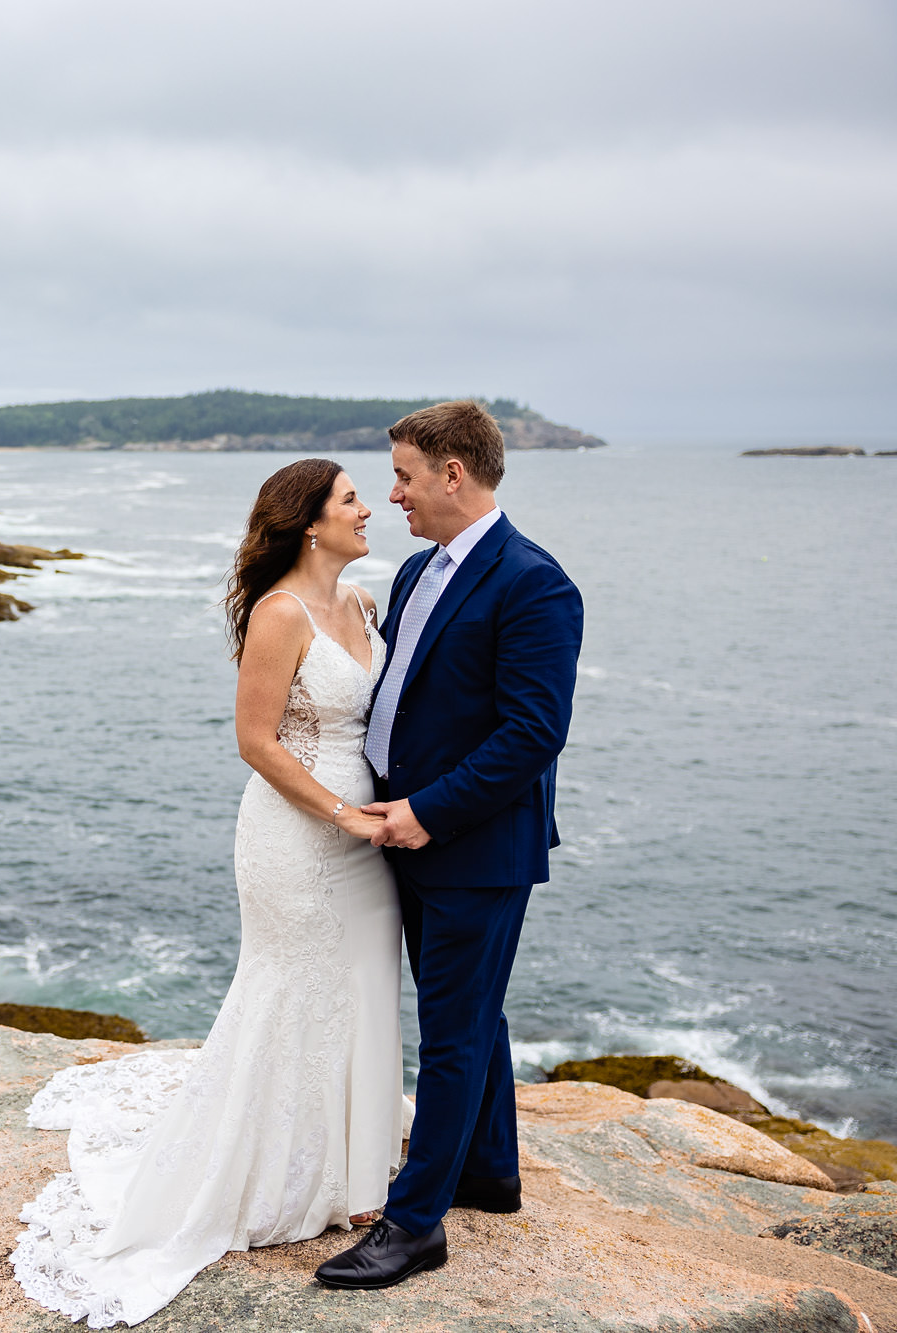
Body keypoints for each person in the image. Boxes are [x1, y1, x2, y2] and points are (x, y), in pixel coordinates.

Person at [12, 458, 410, 1328]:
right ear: (310, 522)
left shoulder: (365, 605)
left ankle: (357, 1167)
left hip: (366, 833)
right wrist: (344, 814)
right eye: (351, 498)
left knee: (364, 983)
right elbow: (255, 740)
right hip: (298, 833)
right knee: (296, 983)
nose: (368, 507)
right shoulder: (280, 613)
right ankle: (283, 1169)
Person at [313, 400, 583, 1290]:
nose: (393, 493)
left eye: (404, 475)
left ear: (453, 475)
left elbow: (532, 732)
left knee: (454, 1033)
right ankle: (488, 1173)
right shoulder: (419, 569)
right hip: (409, 833)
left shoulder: (533, 581)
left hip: (472, 845)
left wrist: (427, 809)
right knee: (473, 1013)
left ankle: (417, 1223)